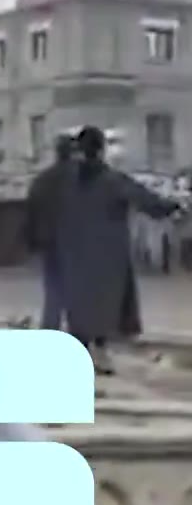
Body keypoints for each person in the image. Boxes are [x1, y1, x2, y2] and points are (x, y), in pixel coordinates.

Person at [54, 126, 180, 375]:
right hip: (107, 254)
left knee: (79, 306)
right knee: (104, 306)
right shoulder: (111, 179)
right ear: (101, 149)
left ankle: (79, 356)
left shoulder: (67, 182)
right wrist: (173, 205)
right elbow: (147, 201)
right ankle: (99, 354)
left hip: (74, 252)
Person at [24, 134, 75, 329]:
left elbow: (31, 211)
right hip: (75, 244)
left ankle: (50, 330)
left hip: (49, 243)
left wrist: (31, 242)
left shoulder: (42, 180)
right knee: (77, 293)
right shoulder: (79, 179)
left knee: (53, 291)